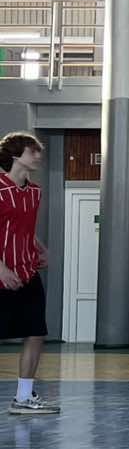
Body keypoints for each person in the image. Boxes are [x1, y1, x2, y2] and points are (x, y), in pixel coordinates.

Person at [1, 132, 53, 417]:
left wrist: (41, 249)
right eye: (33, 152)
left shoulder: (35, 192)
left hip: (27, 273)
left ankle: (23, 397)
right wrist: (2, 269)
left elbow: (25, 229)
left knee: (35, 332)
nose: (38, 156)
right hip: (2, 273)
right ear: (15, 155)